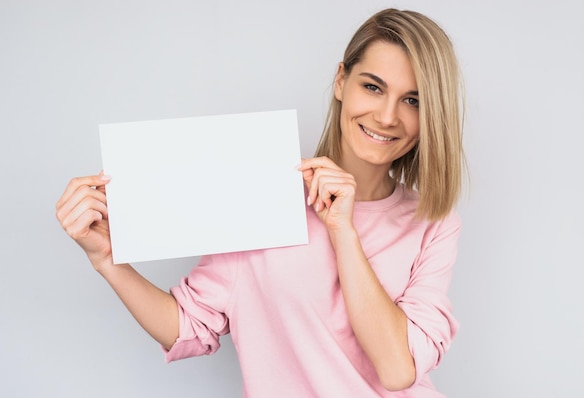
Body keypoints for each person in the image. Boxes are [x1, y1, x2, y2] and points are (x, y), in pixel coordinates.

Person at [56, 8, 464, 398]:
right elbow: (189, 326)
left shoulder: (432, 222)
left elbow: (397, 370)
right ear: (341, 81)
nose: (388, 116)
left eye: (413, 100)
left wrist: (343, 231)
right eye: (372, 87)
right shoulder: (263, 194)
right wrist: (108, 259)